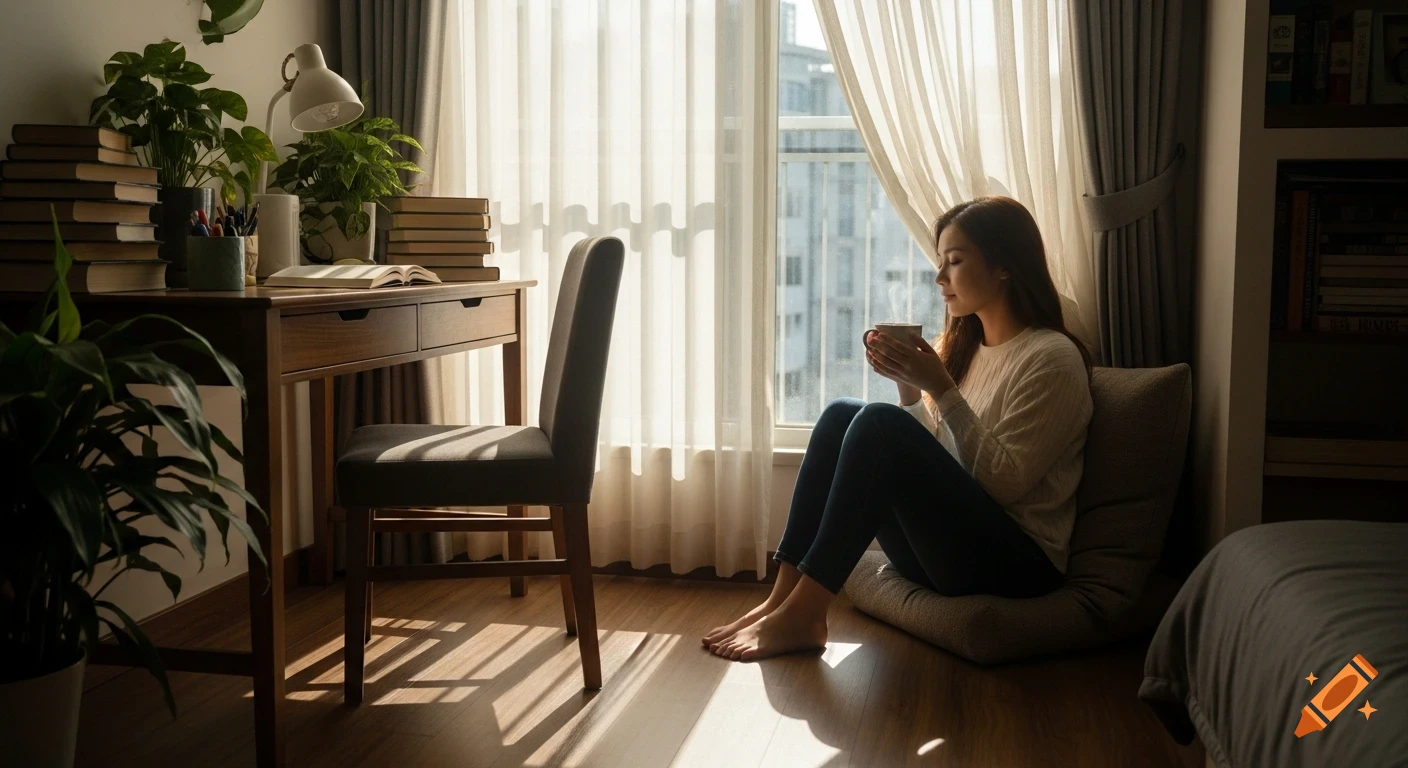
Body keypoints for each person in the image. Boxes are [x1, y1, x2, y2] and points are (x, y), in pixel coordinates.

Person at [703, 196, 1093, 661]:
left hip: (1018, 566)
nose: (940, 277)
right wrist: (911, 389)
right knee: (841, 414)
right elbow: (941, 459)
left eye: (955, 261)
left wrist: (941, 389)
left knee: (878, 424)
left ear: (1003, 266)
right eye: (940, 262)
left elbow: (1004, 485)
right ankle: (781, 600)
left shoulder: (1051, 358)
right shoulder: (968, 347)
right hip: (951, 552)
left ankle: (807, 613)